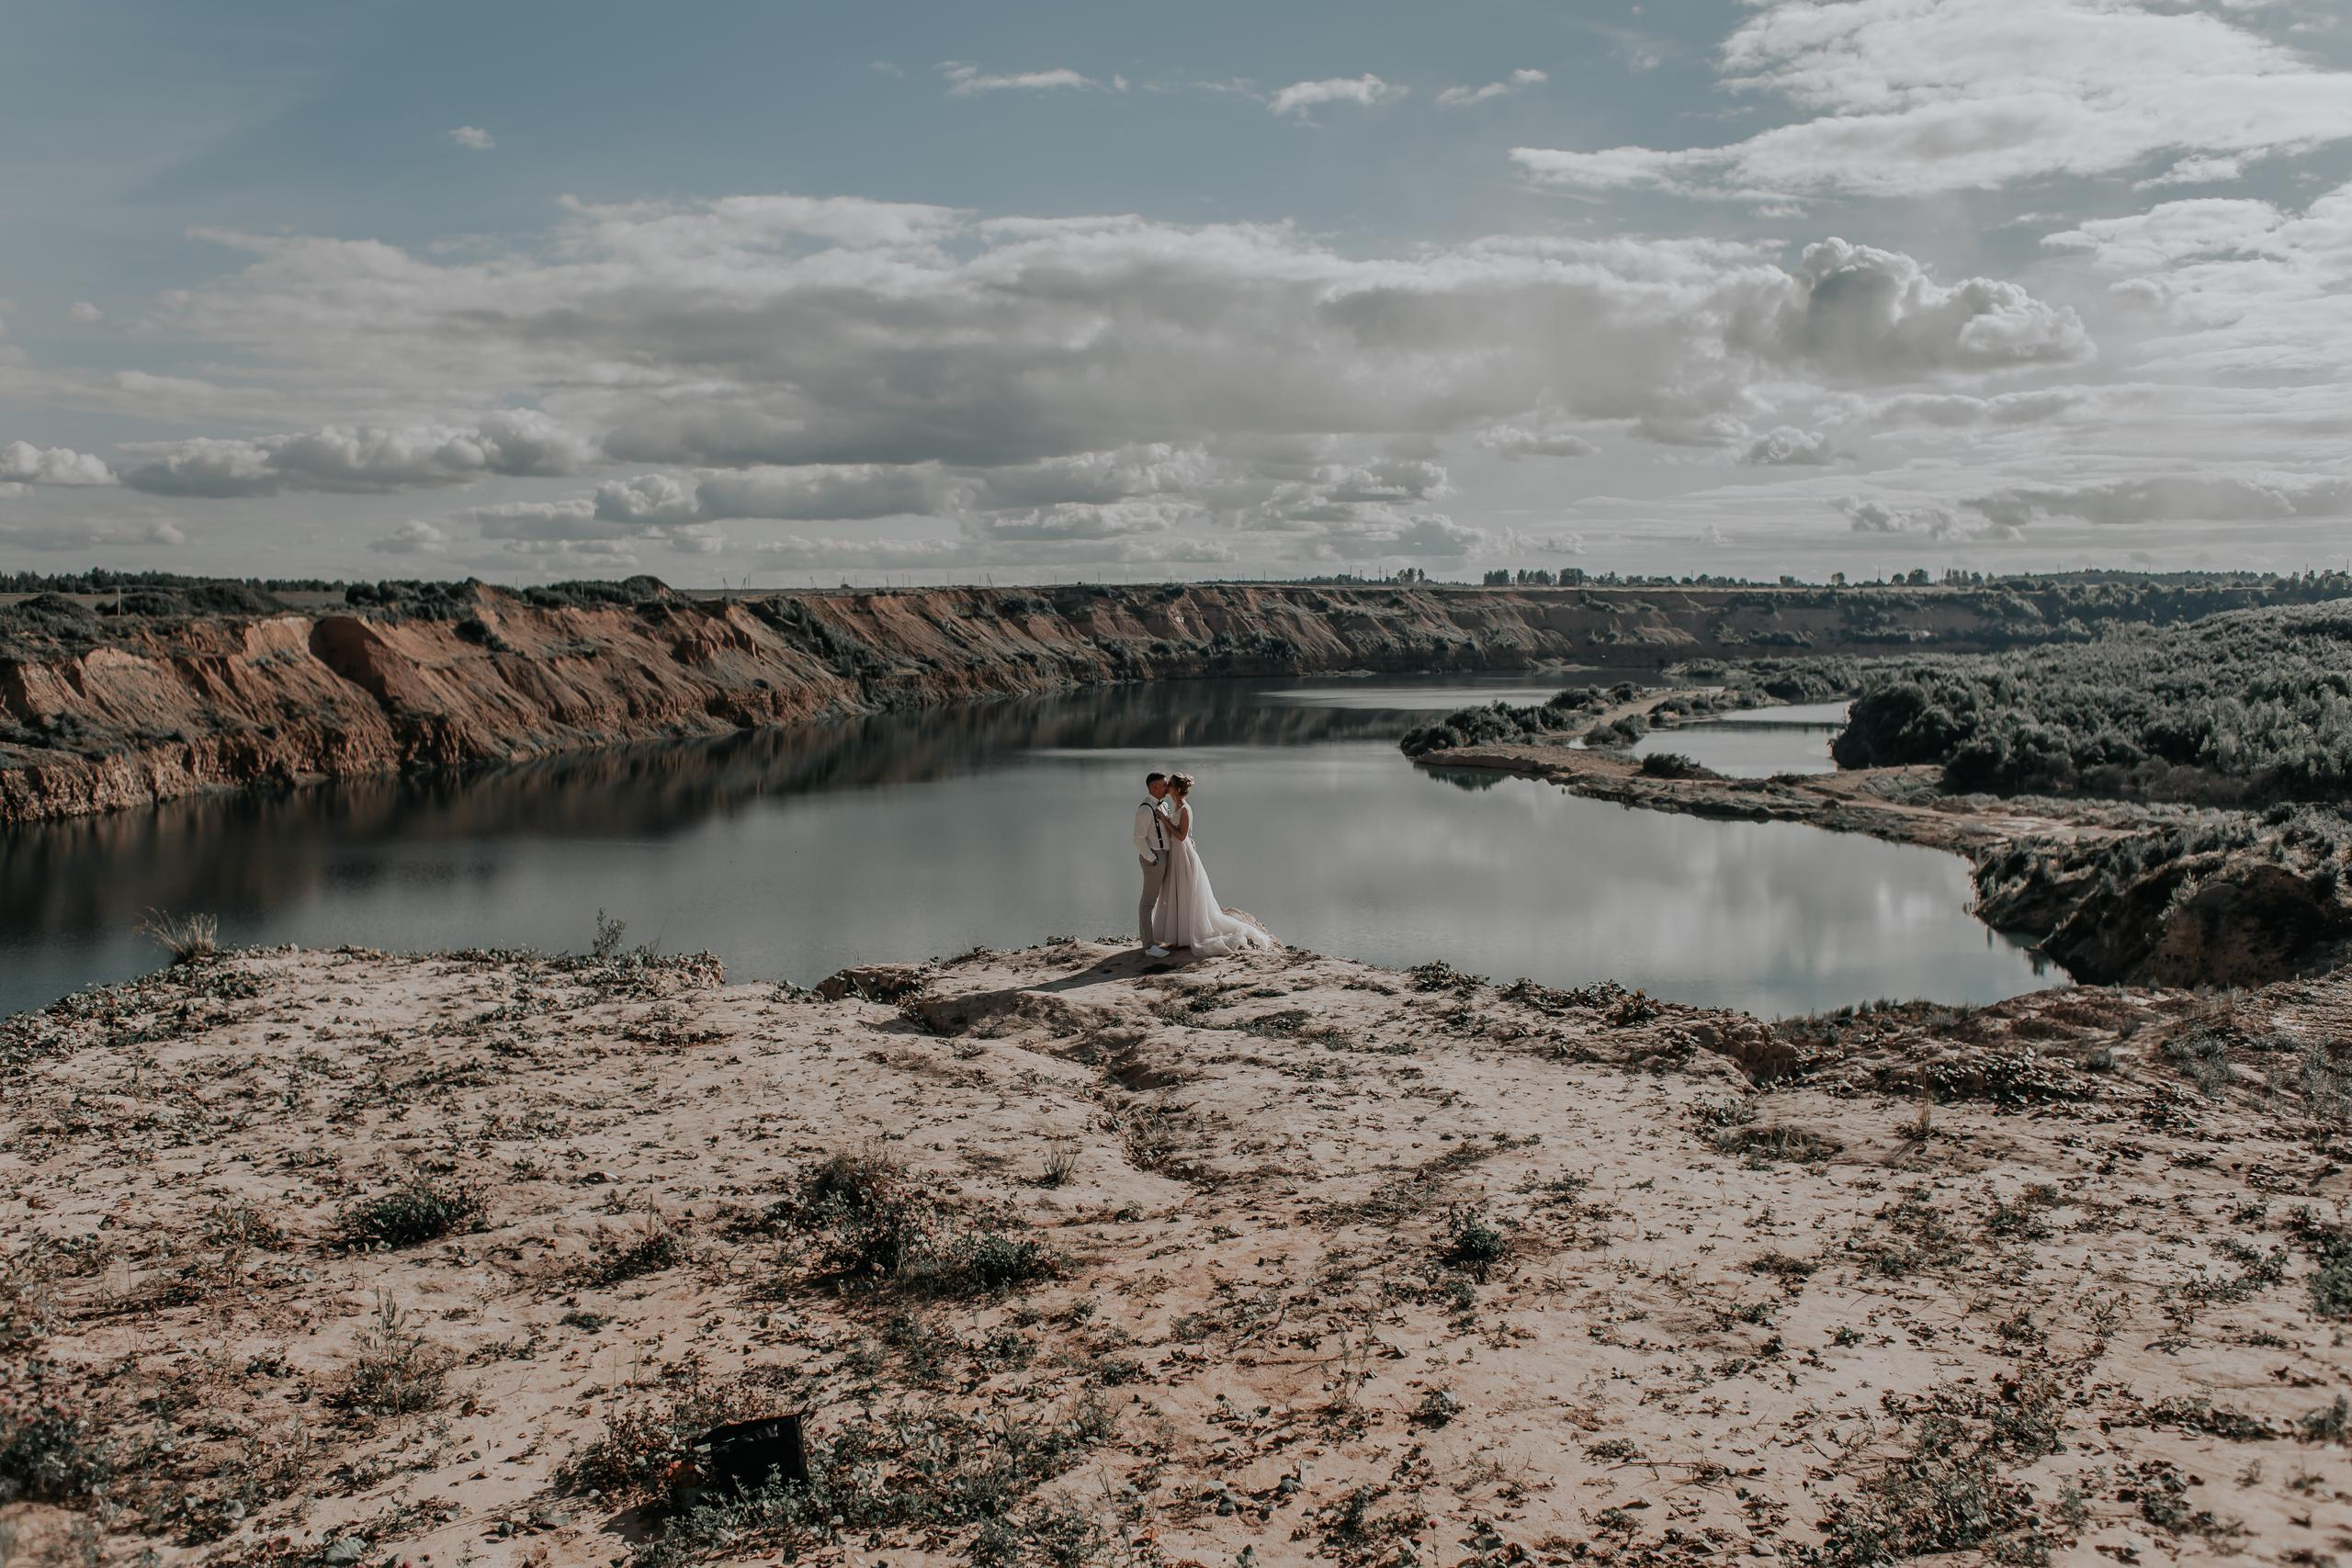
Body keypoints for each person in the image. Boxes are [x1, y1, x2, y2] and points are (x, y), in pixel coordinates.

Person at [1150, 773, 1277, 957]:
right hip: (1177, 855)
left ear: (1176, 789)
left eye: (1169, 784)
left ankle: (1186, 937)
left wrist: (1163, 819)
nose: (1166, 787)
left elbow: (1181, 836)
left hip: (1183, 854)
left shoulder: (1185, 809)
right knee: (1176, 893)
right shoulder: (1176, 807)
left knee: (1186, 893)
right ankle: (1177, 937)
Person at [1133, 772, 1174, 957]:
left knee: (1161, 898)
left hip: (1165, 855)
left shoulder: (1163, 805)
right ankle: (1148, 945)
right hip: (1154, 858)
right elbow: (1138, 839)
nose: (1167, 788)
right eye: (1164, 785)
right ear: (1154, 787)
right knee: (1148, 901)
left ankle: (1158, 937)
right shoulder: (1145, 809)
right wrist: (1152, 859)